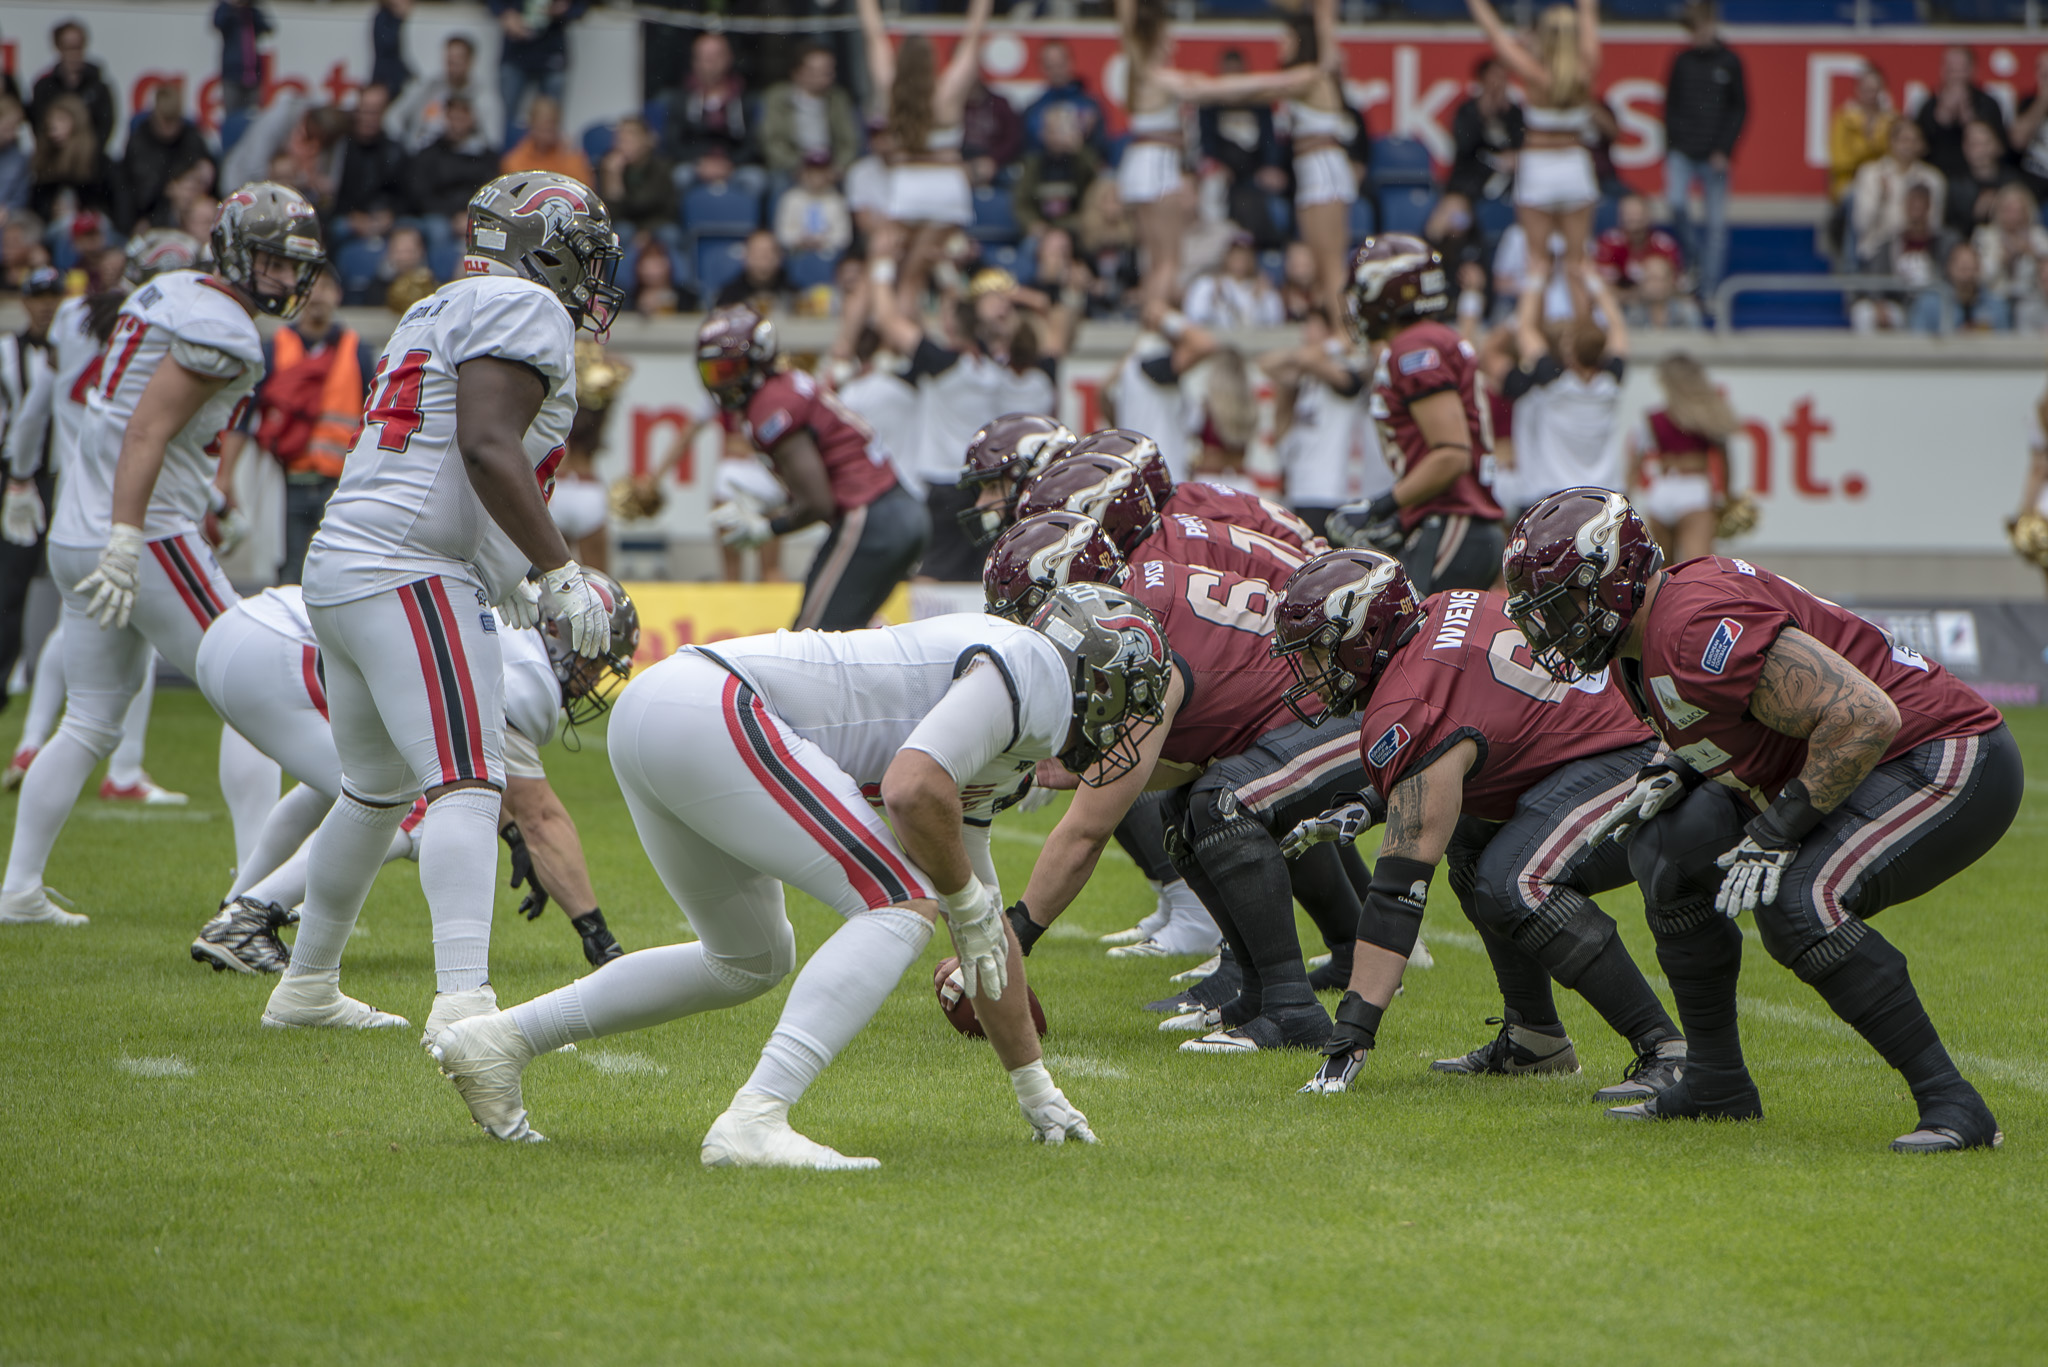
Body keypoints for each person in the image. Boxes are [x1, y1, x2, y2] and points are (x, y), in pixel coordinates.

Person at [429, 585, 1156, 1157]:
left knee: (748, 956)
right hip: (714, 707)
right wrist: (960, 904)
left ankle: (500, 1041)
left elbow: (984, 925)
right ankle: (756, 1117)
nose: (1130, 731)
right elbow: (910, 788)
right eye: (1133, 706)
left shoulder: (999, 714)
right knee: (899, 903)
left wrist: (1036, 1087)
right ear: (1101, 680)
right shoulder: (1036, 671)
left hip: (667, 709)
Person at [1505, 489, 2021, 1153]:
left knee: (1803, 897)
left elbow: (1864, 715)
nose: (1554, 627)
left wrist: (1775, 832)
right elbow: (1723, 714)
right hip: (1858, 754)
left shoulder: (1693, 625)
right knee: (1666, 847)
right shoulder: (1646, 636)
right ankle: (1717, 1081)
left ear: (1615, 576)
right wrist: (1675, 766)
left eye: (1565, 603)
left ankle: (1955, 1103)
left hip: (1939, 752)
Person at [256, 170, 624, 1032]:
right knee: (466, 780)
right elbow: (488, 446)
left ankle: (306, 984)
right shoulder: (525, 308)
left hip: (348, 558)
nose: (590, 275)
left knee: (375, 789)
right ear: (541, 249)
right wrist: (561, 567)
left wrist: (517, 575)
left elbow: (453, 461)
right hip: (407, 567)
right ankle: (464, 1001)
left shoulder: (436, 308)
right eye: (580, 253)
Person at [0, 186, 326, 929]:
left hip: (84, 527)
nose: (286, 281)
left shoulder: (167, 291)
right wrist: (127, 533)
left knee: (88, 719)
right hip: (141, 532)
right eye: (275, 262)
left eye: (294, 265)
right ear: (240, 252)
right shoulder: (225, 329)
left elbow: (137, 426)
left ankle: (18, 888)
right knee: (254, 693)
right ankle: (257, 893)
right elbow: (148, 430)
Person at [1275, 550, 1687, 1098]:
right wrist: (1374, 804)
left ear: (1365, 634)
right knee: (1472, 848)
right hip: (1608, 744)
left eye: (1318, 650)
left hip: (1643, 761)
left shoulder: (1410, 700)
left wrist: (1350, 1035)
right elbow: (1484, 730)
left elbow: (1397, 889)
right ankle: (1536, 1040)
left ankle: (1666, 1049)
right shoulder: (1439, 610)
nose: (1308, 671)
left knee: (1515, 880)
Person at [189, 576, 636, 975]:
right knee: (414, 807)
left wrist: (516, 837)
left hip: (246, 631)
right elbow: (539, 816)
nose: (594, 679)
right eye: (596, 660)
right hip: (284, 652)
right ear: (557, 633)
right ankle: (249, 917)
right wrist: (597, 934)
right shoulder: (530, 671)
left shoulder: (504, 627)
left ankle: (238, 905)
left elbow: (481, 774)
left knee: (347, 786)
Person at [2, 234, 203, 801]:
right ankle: (123, 769)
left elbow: (43, 392)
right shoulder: (171, 328)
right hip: (127, 497)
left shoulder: (73, 316)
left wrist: (19, 473)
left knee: (78, 624)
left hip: (70, 489)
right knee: (143, 633)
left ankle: (34, 741)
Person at [865, 225, 1074, 582]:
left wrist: (882, 265)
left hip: (952, 485)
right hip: (998, 487)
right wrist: (1030, 298)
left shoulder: (957, 368)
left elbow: (889, 321)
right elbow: (1055, 329)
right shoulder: (1034, 378)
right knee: (989, 578)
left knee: (937, 577)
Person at [700, 304, 926, 632]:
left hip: (871, 516)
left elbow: (818, 501)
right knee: (850, 631)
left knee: (811, 639)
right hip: (900, 510)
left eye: (724, 371)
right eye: (712, 373)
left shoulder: (769, 404)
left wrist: (766, 528)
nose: (718, 384)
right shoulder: (788, 384)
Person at [1114, 0, 1323, 314]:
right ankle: (1153, 329)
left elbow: (1127, 25)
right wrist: (1272, 83)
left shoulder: (1137, 72)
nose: (1174, 42)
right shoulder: (1158, 76)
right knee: (1168, 260)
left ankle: (1153, 323)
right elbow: (1214, 89)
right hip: (1156, 165)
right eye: (1167, 36)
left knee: (1155, 259)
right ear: (1155, 37)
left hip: (1141, 164)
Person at [1326, 235, 1505, 595]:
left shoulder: (1414, 347)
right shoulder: (1430, 339)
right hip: (1451, 521)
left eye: (1363, 291)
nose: (1357, 303)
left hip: (1452, 521)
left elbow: (1452, 454)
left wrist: (1378, 507)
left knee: (1413, 638)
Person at [1467, 0, 1601, 320]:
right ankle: (1582, 342)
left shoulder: (1534, 72)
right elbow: (1590, 15)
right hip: (1575, 166)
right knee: (1576, 263)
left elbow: (1495, 35)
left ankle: (1535, 341)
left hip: (1539, 167)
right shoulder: (1587, 68)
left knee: (1537, 264)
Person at [251, 268, 373, 584]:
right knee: (289, 572)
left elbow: (371, 420)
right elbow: (246, 415)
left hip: (338, 485)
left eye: (326, 287)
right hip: (284, 480)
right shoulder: (275, 346)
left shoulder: (356, 349)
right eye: (310, 288)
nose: (318, 295)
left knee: (337, 573)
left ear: (338, 295)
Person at [856, 0, 991, 245]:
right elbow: (972, 37)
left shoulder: (891, 94)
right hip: (947, 188)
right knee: (933, 263)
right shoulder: (947, 96)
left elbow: (874, 35)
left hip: (907, 186)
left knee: (900, 264)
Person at [1503, 262, 1629, 509]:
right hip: (1604, 497)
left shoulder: (1553, 386)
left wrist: (1536, 277)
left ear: (1569, 355)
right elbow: (1617, 326)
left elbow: (1525, 327)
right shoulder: (1611, 386)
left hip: (1555, 497)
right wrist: (1593, 280)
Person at [1274, 0, 1356, 319]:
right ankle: (1339, 333)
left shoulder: (1313, 75)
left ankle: (1346, 337)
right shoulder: (1300, 77)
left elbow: (1326, 24)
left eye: (1285, 38)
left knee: (1331, 264)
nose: (1278, 44)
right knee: (1322, 268)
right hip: (1310, 170)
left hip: (1325, 169)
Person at [1263, 306, 1373, 541]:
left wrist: (1327, 349)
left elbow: (1319, 364)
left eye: (1313, 327)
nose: (1306, 333)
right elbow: (1265, 364)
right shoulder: (1305, 375)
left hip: (1330, 492)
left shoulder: (1340, 369)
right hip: (1300, 488)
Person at [0, 268, 61, 695]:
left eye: (52, 296)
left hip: (59, 473)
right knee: (12, 577)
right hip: (16, 475)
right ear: (24, 302)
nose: (45, 305)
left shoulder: (74, 349)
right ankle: (8, 668)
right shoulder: (6, 350)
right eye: (38, 297)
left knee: (66, 577)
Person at [1660, 2, 1746, 302]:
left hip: (1715, 157)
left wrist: (1724, 148)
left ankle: (1709, 291)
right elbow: (1670, 106)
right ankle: (1694, 260)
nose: (1698, 35)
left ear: (1712, 24)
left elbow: (1739, 109)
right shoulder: (1681, 61)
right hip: (1683, 151)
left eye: (1701, 28)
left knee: (1716, 228)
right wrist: (1672, 145)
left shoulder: (1730, 61)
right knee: (1676, 205)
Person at [1626, 352, 1738, 566]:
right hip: (1694, 492)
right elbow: (1725, 463)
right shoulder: (1709, 417)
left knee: (1661, 571)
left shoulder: (1653, 418)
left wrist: (1627, 501)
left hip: (1661, 490)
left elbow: (1635, 465)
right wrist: (1727, 497)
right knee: (1700, 569)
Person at [117, 83, 215, 235]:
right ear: (155, 114)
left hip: (192, 211)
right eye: (165, 121)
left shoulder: (191, 137)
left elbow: (209, 178)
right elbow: (136, 193)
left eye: (174, 121)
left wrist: (205, 173)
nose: (170, 128)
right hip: (149, 213)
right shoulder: (139, 141)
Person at [1848, 120, 1944, 274]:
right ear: (1891, 142)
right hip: (1875, 253)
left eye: (1914, 140)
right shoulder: (1871, 174)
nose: (1909, 146)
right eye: (1904, 140)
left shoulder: (1932, 179)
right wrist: (1881, 198)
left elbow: (1935, 225)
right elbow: (1861, 225)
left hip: (1918, 253)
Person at [409, 95, 498, 259]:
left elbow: (491, 191)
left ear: (472, 119)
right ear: (445, 118)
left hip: (473, 215)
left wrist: (469, 215)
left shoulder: (486, 157)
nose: (457, 124)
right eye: (453, 118)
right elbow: (421, 194)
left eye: (462, 118)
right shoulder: (429, 154)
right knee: (438, 230)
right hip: (440, 215)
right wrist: (452, 215)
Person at [659, 32, 751, 182]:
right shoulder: (681, 99)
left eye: (717, 56)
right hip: (694, 164)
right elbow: (674, 142)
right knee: (680, 177)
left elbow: (752, 143)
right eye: (705, 57)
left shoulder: (743, 97)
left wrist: (730, 163)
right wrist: (699, 162)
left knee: (754, 180)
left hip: (734, 165)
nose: (711, 62)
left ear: (729, 58)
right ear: (694, 61)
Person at [486, 0, 588, 130]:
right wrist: (505, 13)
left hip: (552, 50)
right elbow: (494, 4)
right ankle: (510, 149)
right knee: (508, 119)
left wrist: (564, 9)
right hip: (515, 51)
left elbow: (580, 7)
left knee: (550, 119)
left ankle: (549, 150)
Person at [762, 45, 860, 179]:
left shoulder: (838, 98)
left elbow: (849, 141)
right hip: (791, 168)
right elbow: (772, 142)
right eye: (818, 71)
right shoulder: (777, 98)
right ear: (797, 73)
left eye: (829, 70)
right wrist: (800, 168)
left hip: (831, 166)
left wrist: (838, 167)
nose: (826, 76)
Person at [392, 33, 501, 154]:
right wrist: (403, 145)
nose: (452, 67)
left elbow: (493, 141)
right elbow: (393, 117)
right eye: (449, 61)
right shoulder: (429, 87)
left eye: (457, 61)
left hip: (463, 161)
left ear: (470, 61)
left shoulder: (484, 96)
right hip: (421, 157)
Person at [1916, 46, 2005, 186]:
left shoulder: (1988, 104)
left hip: (1977, 180)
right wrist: (1940, 119)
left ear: (1973, 70)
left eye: (1961, 69)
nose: (1956, 75)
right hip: (1935, 178)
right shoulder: (1928, 106)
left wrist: (1970, 120)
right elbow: (1918, 148)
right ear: (1942, 70)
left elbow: (2001, 148)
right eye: (1952, 69)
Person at [333, 85, 409, 248]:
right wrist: (353, 216)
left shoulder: (395, 150)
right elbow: (334, 192)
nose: (368, 118)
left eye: (374, 112)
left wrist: (391, 213)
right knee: (336, 228)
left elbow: (406, 194)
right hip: (349, 217)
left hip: (386, 218)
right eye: (364, 111)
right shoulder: (341, 148)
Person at [1447, 56, 1524, 208]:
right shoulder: (1467, 111)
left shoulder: (1515, 113)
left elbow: (1522, 143)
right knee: (1456, 216)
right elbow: (1464, 145)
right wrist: (1483, 115)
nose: (1498, 84)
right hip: (1471, 185)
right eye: (1493, 79)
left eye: (1502, 79)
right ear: (1482, 81)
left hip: (1509, 184)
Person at [1013, 104, 1100, 238]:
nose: (1057, 136)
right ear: (1042, 134)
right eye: (1052, 130)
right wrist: (1032, 223)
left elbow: (1098, 184)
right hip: (1043, 230)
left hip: (1077, 228)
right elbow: (1022, 203)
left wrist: (1078, 149)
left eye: (1062, 130)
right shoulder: (1033, 163)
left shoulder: (1082, 160)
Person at [29, 94, 115, 225]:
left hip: (93, 227)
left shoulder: (97, 160)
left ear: (77, 122)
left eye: (61, 120)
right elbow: (37, 204)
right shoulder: (45, 158)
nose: (54, 127)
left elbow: (112, 201)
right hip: (54, 227)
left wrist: (82, 213)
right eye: (50, 122)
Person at [30, 21, 115, 152]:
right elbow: (39, 125)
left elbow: (105, 127)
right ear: (58, 47)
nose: (74, 53)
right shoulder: (44, 87)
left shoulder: (98, 88)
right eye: (69, 47)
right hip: (53, 157)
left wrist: (84, 150)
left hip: (89, 159)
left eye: (78, 46)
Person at [597, 115, 677, 246]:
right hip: (626, 225)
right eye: (621, 139)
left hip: (657, 223)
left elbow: (647, 205)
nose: (624, 144)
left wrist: (646, 232)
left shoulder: (661, 167)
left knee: (669, 234)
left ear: (646, 140)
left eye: (631, 138)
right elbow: (609, 216)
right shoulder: (609, 167)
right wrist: (614, 179)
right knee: (621, 232)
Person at [1023, 39, 1108, 158]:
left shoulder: (1091, 106)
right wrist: (1045, 139)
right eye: (1050, 66)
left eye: (1060, 64)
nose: (1056, 71)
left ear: (1071, 62)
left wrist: (1087, 136)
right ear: (1041, 67)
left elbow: (1103, 147)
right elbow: (1026, 148)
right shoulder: (1033, 110)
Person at [1594, 193, 1681, 302]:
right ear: (1620, 216)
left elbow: (1674, 285)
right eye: (1628, 213)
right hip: (1619, 304)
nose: (1633, 218)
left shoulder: (1664, 245)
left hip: (1658, 303)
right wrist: (1635, 297)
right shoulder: (1609, 243)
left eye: (1637, 213)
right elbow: (1601, 287)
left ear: (1649, 215)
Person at [773, 151, 852, 259]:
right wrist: (800, 240)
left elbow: (843, 236)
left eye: (821, 171)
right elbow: (782, 234)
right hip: (795, 254)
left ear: (830, 173)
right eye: (812, 171)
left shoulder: (837, 201)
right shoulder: (790, 198)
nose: (816, 176)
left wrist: (823, 241)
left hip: (828, 255)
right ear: (803, 172)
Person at [1942, 120, 2014, 236]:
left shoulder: (2012, 182)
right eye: (1974, 144)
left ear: (1998, 145)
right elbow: (1949, 229)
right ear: (1964, 148)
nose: (1980, 150)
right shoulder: (1954, 184)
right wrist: (1975, 216)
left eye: (1985, 143)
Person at [500, 95, 591, 184]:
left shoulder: (571, 157)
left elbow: (582, 191)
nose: (549, 127)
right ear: (531, 124)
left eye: (553, 122)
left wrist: (568, 153)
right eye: (544, 124)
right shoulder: (513, 161)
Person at [214, 2, 275, 117]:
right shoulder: (226, 10)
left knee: (252, 118)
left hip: (252, 75)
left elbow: (268, 27)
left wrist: (251, 8)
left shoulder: (252, 13)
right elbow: (218, 22)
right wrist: (233, 7)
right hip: (232, 75)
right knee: (232, 116)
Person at [370, 0, 413, 101]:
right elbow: (389, 44)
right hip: (387, 80)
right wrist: (400, 18)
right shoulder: (383, 17)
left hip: (398, 80)